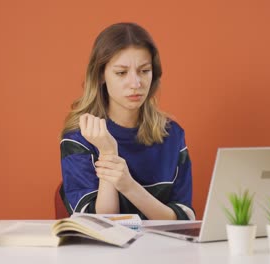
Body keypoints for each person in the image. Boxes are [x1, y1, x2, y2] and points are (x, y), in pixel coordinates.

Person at [59, 22, 194, 220]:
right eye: (121, 73)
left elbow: (182, 218)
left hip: (164, 249)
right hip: (104, 250)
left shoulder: (172, 134)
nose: (136, 83)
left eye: (144, 71)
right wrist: (108, 153)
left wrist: (128, 185)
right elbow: (99, 223)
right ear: (100, 75)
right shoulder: (79, 138)